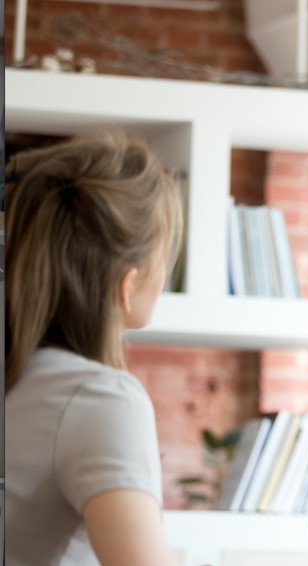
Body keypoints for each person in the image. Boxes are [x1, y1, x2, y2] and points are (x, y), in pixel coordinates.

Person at [4, 133, 182, 566]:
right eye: (163, 258)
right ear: (127, 285)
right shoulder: (99, 397)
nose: (164, 277)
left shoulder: (24, 379)